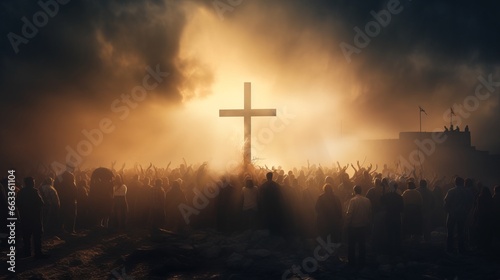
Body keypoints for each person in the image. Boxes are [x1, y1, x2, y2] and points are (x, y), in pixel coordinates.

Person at [17, 177, 48, 258]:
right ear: (32, 183)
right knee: (37, 236)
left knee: (26, 237)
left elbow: (17, 204)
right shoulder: (34, 191)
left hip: (24, 218)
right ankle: (38, 253)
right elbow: (41, 203)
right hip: (35, 218)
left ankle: (27, 252)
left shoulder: (20, 192)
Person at [444, 176, 473, 254]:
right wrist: (467, 212)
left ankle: (450, 248)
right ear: (462, 182)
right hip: (463, 214)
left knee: (450, 232)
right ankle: (461, 248)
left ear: (455, 182)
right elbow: (471, 203)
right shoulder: (467, 192)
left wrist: (448, 211)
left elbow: (446, 203)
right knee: (461, 232)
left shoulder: (451, 191)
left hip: (452, 214)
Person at [346, 185, 372, 266]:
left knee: (352, 244)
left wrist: (347, 224)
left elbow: (349, 214)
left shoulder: (353, 201)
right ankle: (362, 260)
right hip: (363, 226)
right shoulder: (367, 200)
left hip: (354, 226)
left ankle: (351, 261)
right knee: (362, 244)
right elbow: (369, 212)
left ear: (354, 191)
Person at [381, 181, 404, 255]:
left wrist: (384, 190)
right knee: (397, 235)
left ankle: (389, 251)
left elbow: (381, 202)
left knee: (388, 234)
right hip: (396, 218)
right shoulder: (399, 197)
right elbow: (402, 209)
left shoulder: (386, 196)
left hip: (388, 217)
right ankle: (398, 251)